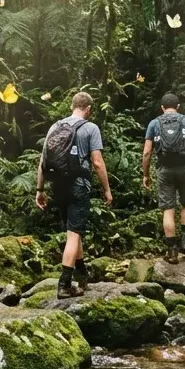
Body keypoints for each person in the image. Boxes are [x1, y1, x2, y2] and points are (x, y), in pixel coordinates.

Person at [36, 92, 113, 298]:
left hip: (57, 185)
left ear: (72, 106)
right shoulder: (90, 128)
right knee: (74, 234)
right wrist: (106, 189)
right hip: (79, 185)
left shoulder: (55, 127)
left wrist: (40, 190)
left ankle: (82, 275)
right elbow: (97, 162)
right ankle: (64, 285)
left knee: (73, 230)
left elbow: (43, 162)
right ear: (88, 108)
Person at [142, 93, 185, 263]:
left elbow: (147, 152)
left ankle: (172, 251)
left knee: (168, 209)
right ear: (178, 107)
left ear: (162, 107)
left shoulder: (154, 123)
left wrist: (146, 174)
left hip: (164, 170)